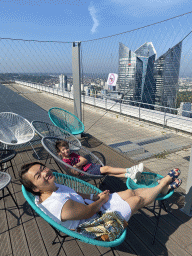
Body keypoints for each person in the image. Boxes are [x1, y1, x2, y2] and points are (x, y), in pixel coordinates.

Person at [19, 162, 182, 232]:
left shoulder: (53, 187)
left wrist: (95, 195)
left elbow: (75, 194)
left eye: (42, 168)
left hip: (93, 209)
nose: (45, 172)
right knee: (136, 200)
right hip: (95, 228)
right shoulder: (57, 206)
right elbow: (87, 213)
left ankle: (160, 189)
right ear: (35, 188)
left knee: (130, 192)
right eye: (38, 176)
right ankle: (162, 185)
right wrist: (102, 200)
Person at [55, 140, 143, 181]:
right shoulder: (65, 162)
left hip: (90, 166)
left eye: (67, 148)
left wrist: (77, 165)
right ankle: (130, 169)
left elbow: (84, 160)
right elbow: (75, 173)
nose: (66, 151)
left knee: (107, 172)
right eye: (63, 150)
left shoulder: (73, 154)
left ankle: (129, 175)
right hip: (86, 172)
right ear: (59, 153)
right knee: (107, 168)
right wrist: (80, 164)